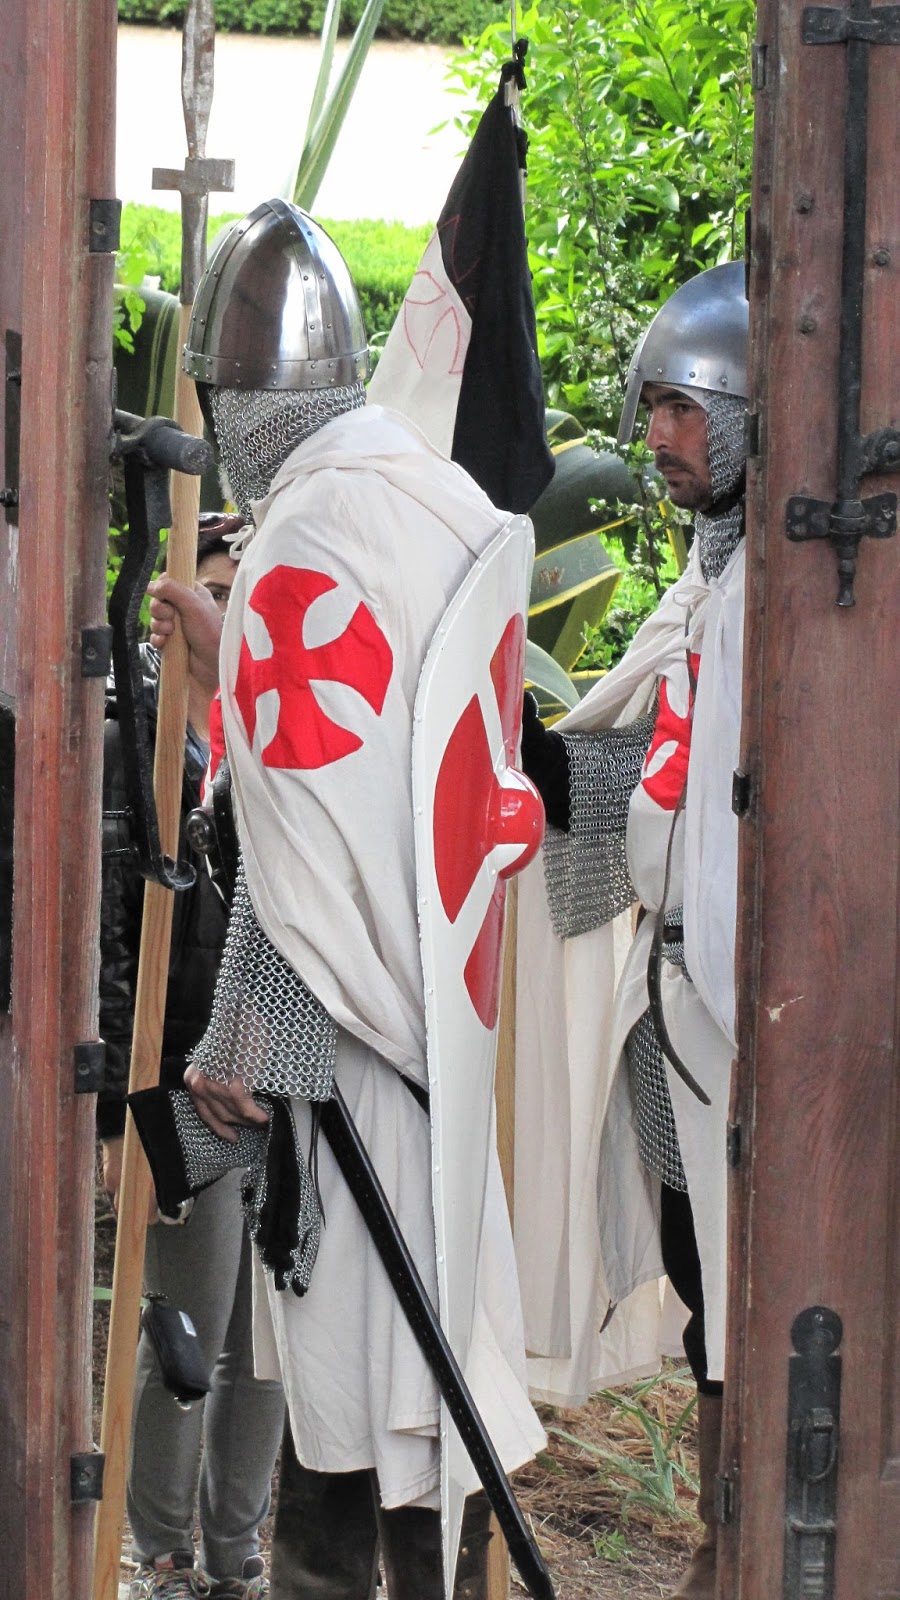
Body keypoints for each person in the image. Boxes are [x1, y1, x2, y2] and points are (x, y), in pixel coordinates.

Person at [148, 197, 545, 1600]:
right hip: (438, 1026)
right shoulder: (438, 499)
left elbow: (300, 832)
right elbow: (382, 773)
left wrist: (247, 1036)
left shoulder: (305, 538)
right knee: (416, 1401)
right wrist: (237, 658)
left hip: (351, 1051)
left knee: (361, 1408)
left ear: (237, 397)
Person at [518, 262, 749, 1600]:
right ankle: (721, 1547)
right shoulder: (705, 583)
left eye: (683, 408)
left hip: (750, 1023)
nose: (657, 435)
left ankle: (744, 1549)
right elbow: (621, 765)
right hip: (678, 1016)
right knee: (705, 1279)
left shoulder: (792, 597)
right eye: (650, 406)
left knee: (759, 1294)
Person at [98, 515, 285, 1600]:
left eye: (243, 591)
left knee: (270, 1336)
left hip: (286, 1079)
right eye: (211, 589)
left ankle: (236, 1549)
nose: (226, 610)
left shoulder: (283, 740)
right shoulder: (138, 741)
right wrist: (115, 1110)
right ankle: (162, 1549)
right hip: (179, 1075)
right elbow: (114, 937)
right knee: (186, 1327)